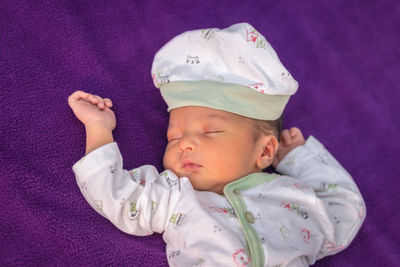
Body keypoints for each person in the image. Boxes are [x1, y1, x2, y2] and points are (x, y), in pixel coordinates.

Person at [68, 23, 365, 266]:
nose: (185, 144)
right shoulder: (175, 198)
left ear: (264, 151)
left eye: (210, 132)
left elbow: (345, 208)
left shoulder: (293, 199)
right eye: (174, 137)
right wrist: (98, 128)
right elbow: (116, 196)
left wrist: (299, 159)